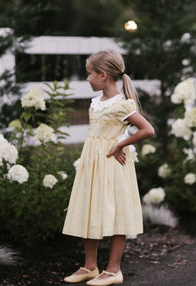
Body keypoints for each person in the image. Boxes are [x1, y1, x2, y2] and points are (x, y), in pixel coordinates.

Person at [62, 49, 155, 286]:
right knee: (89, 208)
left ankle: (114, 270)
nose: (87, 78)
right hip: (93, 164)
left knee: (117, 211)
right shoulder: (97, 103)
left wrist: (120, 145)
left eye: (89, 74)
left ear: (103, 75)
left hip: (113, 164)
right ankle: (90, 266)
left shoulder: (123, 105)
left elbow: (147, 130)